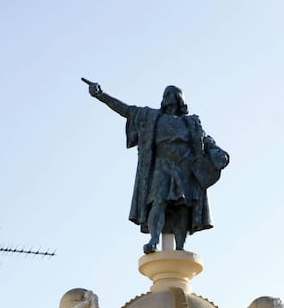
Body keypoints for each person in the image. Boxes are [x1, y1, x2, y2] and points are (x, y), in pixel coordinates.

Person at [85, 82, 229, 253]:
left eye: (169, 94)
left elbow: (203, 141)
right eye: (164, 94)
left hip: (185, 167)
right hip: (162, 165)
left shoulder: (191, 122)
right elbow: (126, 110)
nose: (165, 97)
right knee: (158, 201)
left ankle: (180, 246)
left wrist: (214, 150)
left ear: (179, 99)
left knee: (182, 207)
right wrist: (101, 95)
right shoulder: (150, 116)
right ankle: (154, 239)